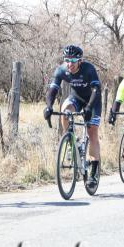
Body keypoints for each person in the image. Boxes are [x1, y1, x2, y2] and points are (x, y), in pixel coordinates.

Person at [44, 45, 101, 187]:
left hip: (93, 101)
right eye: (67, 60)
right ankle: (71, 142)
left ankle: (93, 174)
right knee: (65, 111)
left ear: (80, 61)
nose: (69, 64)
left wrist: (88, 108)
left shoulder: (88, 69)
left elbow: (96, 89)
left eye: (73, 60)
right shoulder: (61, 70)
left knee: (92, 131)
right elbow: (52, 89)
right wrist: (49, 106)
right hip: (76, 98)